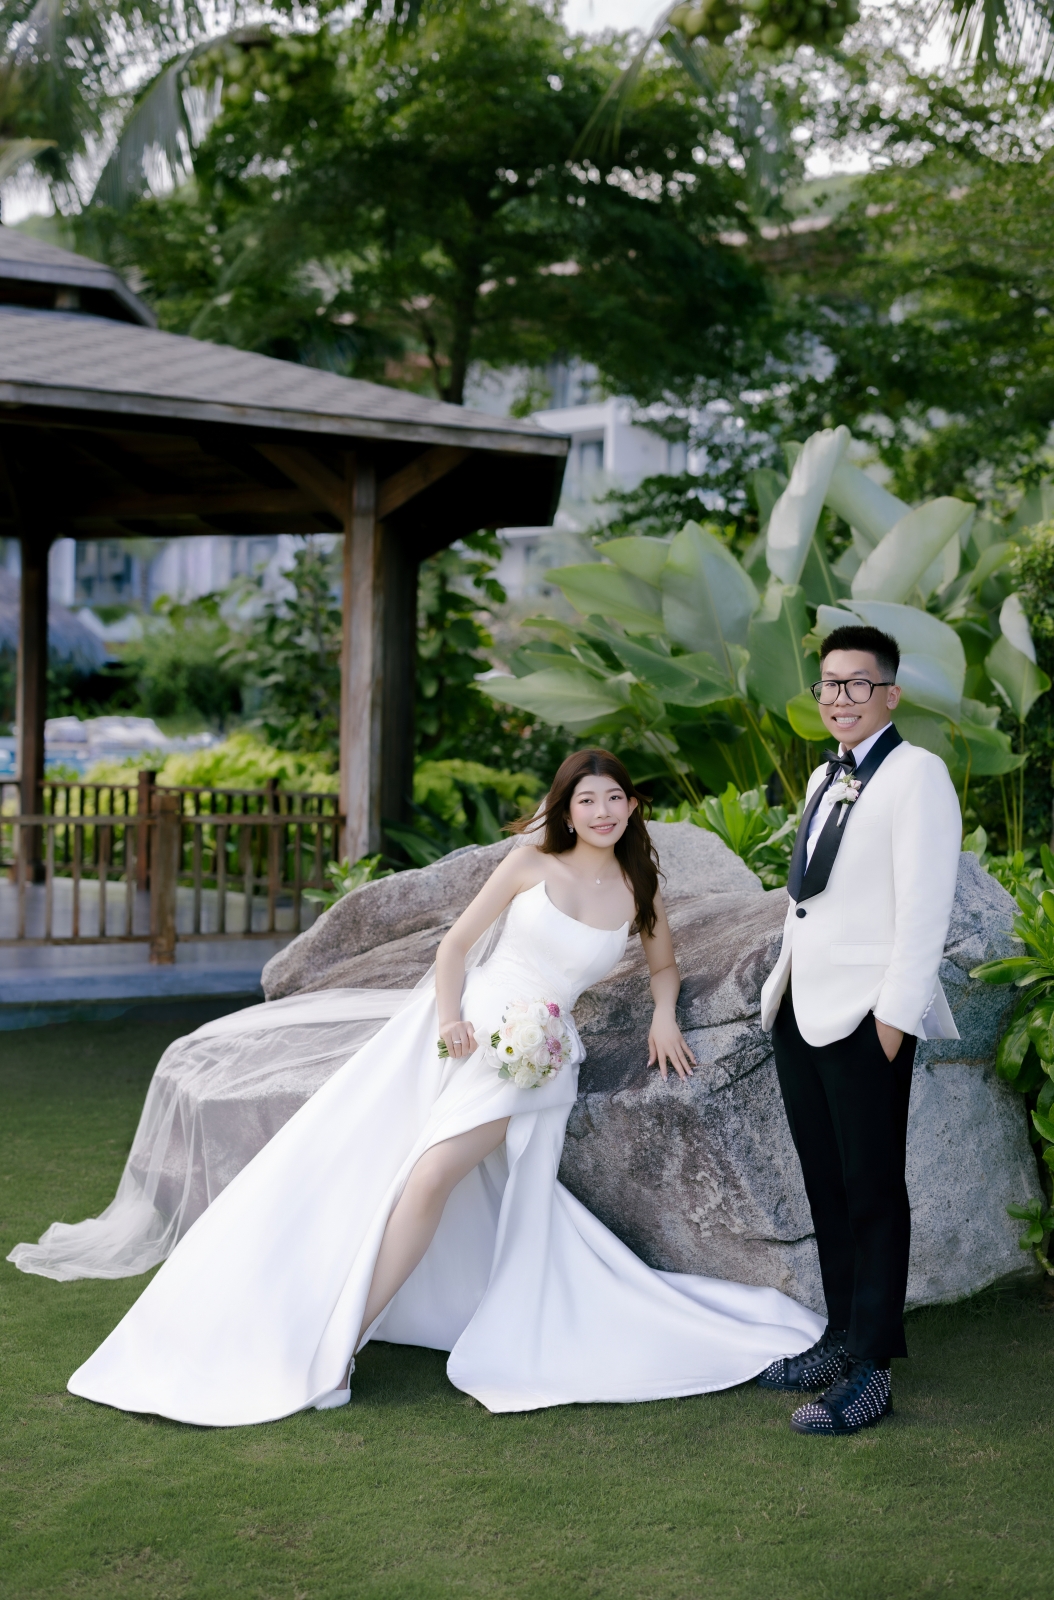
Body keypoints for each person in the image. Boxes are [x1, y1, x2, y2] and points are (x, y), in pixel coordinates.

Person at [64, 749, 823, 1426]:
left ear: (632, 806)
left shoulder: (637, 885)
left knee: (429, 1179)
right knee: (376, 1162)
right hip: (463, 1031)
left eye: (614, 798)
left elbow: (664, 965)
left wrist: (663, 1015)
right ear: (566, 809)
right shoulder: (530, 863)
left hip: (536, 1055)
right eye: (587, 799)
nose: (602, 811)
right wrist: (452, 1018)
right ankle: (303, 1308)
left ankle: (342, 1343)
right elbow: (455, 946)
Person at [757, 625, 962, 1436]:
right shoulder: (824, 774)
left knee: (873, 1193)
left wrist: (892, 1022)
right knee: (827, 1185)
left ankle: (872, 1371)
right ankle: (839, 1337)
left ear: (890, 694)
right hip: (800, 1008)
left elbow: (924, 911)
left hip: (867, 1019)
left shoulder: (919, 776)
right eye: (828, 685)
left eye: (856, 684)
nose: (839, 698)